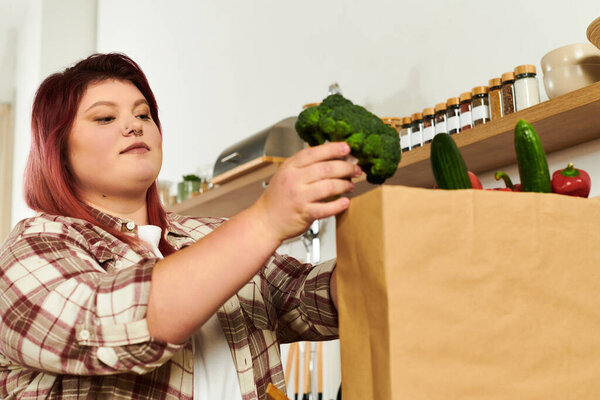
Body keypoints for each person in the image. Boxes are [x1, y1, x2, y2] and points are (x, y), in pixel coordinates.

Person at [0, 53, 360, 399]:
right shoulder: (31, 248)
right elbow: (118, 321)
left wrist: (393, 246)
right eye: (105, 118)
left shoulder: (211, 236)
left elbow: (310, 300)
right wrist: (266, 220)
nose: (134, 124)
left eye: (144, 114)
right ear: (57, 149)